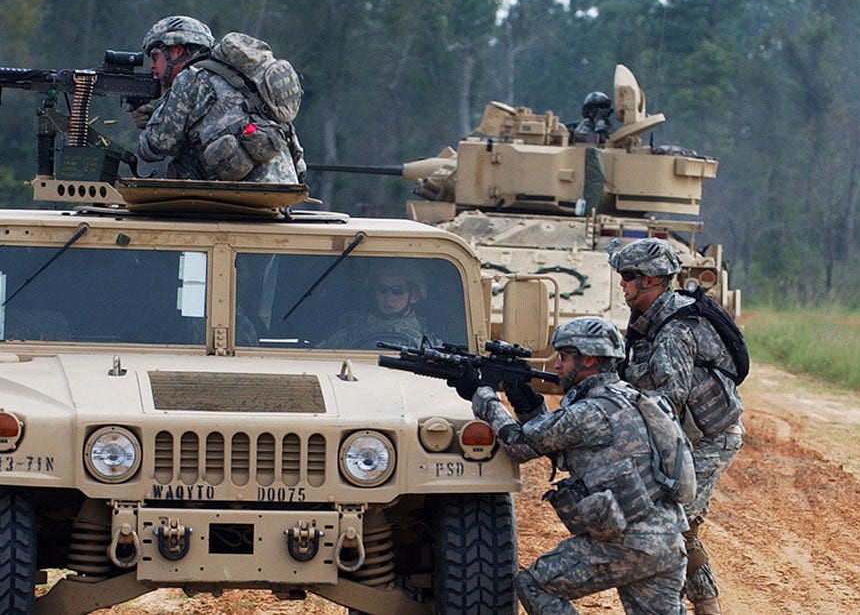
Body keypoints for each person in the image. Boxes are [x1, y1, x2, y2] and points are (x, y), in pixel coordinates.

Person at [453, 316, 688, 614]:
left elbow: (518, 445)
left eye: (564, 356)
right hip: (668, 541)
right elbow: (558, 437)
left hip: (628, 545)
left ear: (588, 359)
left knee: (535, 584)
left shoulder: (589, 411)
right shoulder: (628, 397)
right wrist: (526, 402)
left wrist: (484, 396)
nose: (556, 366)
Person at [608, 238, 744, 615]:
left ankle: (703, 604)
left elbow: (670, 398)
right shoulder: (647, 321)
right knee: (679, 524)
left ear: (652, 280)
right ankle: (705, 602)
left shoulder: (673, 329)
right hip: (686, 436)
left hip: (708, 440)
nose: (622, 284)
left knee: (674, 524)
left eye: (629, 277)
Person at [129, 15, 299, 183]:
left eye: (155, 56)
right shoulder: (245, 77)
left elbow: (154, 146)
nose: (152, 66)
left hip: (241, 199)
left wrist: (150, 123)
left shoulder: (191, 78)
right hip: (283, 188)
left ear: (176, 51)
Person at [318, 263, 430, 349]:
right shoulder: (352, 330)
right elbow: (321, 356)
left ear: (414, 295)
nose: (389, 298)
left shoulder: (427, 336)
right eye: (383, 290)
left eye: (397, 291)